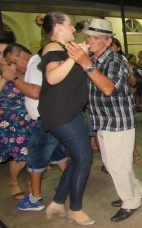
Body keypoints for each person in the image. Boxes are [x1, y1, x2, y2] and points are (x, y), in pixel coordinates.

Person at [66, 18, 142, 223]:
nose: (90, 41)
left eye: (96, 37)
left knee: (118, 166)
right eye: (89, 36)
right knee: (112, 164)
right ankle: (136, 191)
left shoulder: (115, 60)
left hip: (118, 121)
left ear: (108, 42)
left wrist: (85, 63)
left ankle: (130, 201)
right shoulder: (95, 58)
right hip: (103, 120)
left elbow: (108, 88)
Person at [37, 11, 94, 225]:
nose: (73, 28)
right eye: (69, 24)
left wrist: (79, 55)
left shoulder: (63, 49)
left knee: (78, 158)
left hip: (66, 111)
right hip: (60, 113)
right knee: (85, 157)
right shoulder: (53, 47)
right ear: (58, 28)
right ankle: (75, 209)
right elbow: (52, 77)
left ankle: (58, 203)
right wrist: (74, 57)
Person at [2, 43, 68, 211]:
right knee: (58, 155)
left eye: (13, 62)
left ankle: (35, 199)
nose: (13, 67)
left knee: (35, 160)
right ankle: (69, 184)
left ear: (22, 55)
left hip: (45, 119)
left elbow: (35, 92)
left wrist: (13, 78)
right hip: (48, 118)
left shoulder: (36, 66)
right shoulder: (34, 66)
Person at [0, 39, 33, 201]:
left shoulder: (21, 69)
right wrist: (5, 78)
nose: (3, 56)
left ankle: (33, 181)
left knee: (32, 152)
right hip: (8, 121)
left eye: (5, 52)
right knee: (19, 155)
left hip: (28, 117)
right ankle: (13, 181)